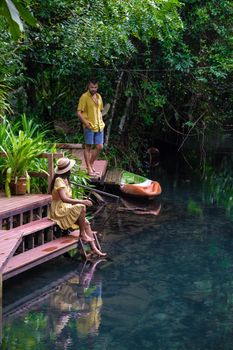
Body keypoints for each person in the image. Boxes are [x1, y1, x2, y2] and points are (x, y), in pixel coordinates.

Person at [49, 157, 107, 257]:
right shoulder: (59, 180)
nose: (71, 170)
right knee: (81, 207)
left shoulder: (65, 179)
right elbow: (64, 199)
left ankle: (94, 249)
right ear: (67, 170)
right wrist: (81, 201)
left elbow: (69, 199)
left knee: (86, 223)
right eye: (70, 168)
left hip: (66, 208)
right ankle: (82, 234)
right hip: (59, 210)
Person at [77, 79, 105, 176]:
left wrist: (101, 120)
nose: (94, 89)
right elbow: (79, 112)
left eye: (95, 87)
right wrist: (85, 123)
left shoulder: (99, 96)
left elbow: (100, 111)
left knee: (99, 146)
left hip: (99, 126)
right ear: (88, 86)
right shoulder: (84, 97)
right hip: (89, 126)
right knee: (88, 147)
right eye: (92, 87)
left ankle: (91, 164)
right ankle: (89, 169)